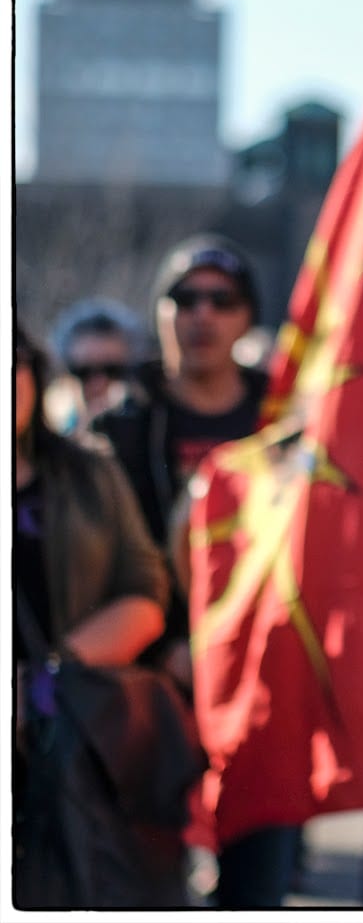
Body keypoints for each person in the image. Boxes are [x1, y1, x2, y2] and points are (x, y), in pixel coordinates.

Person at [88, 233, 289, 907]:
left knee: (257, 886)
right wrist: (163, 644)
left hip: (261, 691)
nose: (200, 314)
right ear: (162, 313)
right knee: (147, 887)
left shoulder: (284, 420)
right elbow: (98, 562)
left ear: (245, 317)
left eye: (220, 299)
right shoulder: (120, 426)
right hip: (153, 687)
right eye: (183, 298)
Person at [12, 322, 181, 906]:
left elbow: (145, 588)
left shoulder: (90, 472)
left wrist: (55, 674)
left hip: (70, 742)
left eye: (13, 363)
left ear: (33, 373)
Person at [43, 298, 145, 435]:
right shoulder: (49, 443)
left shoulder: (157, 437)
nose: (99, 384)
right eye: (84, 372)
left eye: (112, 370)